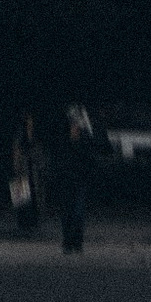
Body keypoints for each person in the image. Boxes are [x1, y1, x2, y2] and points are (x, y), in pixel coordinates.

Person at [49, 106, 95, 256]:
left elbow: (88, 160)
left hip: (79, 180)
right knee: (68, 213)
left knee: (77, 213)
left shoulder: (84, 139)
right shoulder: (64, 139)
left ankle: (76, 241)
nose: (75, 127)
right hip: (67, 180)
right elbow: (59, 159)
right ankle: (69, 242)